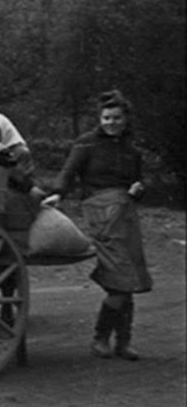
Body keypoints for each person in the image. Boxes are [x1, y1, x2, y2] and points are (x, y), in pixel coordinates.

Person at [43, 89, 151, 360]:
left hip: (125, 214)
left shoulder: (132, 150)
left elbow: (138, 184)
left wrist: (138, 189)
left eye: (116, 118)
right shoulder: (86, 143)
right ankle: (101, 338)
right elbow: (68, 172)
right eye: (106, 118)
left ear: (125, 120)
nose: (111, 122)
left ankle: (123, 342)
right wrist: (58, 192)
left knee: (130, 277)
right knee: (120, 277)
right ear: (100, 118)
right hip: (100, 214)